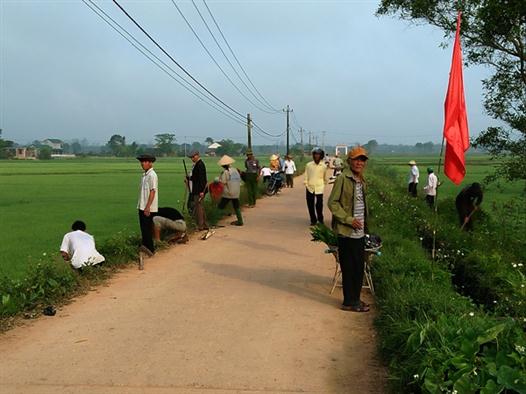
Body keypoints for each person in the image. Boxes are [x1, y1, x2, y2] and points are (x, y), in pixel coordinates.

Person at [328, 146, 370, 312]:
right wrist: (348, 219)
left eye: (362, 160)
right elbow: (332, 203)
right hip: (346, 232)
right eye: (356, 159)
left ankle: (356, 299)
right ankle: (349, 302)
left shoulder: (361, 179)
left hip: (359, 232)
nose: (360, 163)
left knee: (359, 267)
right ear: (349, 161)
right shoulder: (343, 179)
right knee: (349, 268)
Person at [137, 154, 158, 256]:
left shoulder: (152, 175)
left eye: (145, 162)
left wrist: (148, 207)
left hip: (147, 207)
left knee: (147, 229)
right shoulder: (144, 175)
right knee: (143, 229)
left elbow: (152, 191)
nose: (142, 164)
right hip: (142, 205)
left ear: (150, 163)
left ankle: (150, 249)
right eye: (141, 162)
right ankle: (146, 248)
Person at [218, 155, 244, 226]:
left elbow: (223, 182)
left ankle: (214, 221)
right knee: (236, 206)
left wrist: (219, 178)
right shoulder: (235, 170)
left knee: (220, 206)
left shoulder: (225, 172)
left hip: (228, 192)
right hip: (236, 191)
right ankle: (240, 220)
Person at [186, 151, 209, 231]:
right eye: (191, 157)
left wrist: (202, 191)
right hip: (196, 189)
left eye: (193, 157)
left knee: (199, 208)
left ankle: (201, 226)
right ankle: (205, 224)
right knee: (200, 207)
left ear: (197, 156)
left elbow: (202, 179)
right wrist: (188, 178)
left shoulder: (200, 164)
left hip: (199, 190)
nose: (192, 159)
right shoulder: (196, 165)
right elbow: (195, 177)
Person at [304, 147, 327, 225]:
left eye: (318, 154)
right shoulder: (308, 165)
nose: (317, 156)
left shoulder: (323, 166)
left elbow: (325, 177)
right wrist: (306, 184)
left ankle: (320, 219)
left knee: (319, 204)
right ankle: (313, 220)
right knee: (310, 204)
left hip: (319, 187)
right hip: (310, 187)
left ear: (321, 156)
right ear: (313, 155)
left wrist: (324, 184)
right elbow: (306, 175)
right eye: (315, 154)